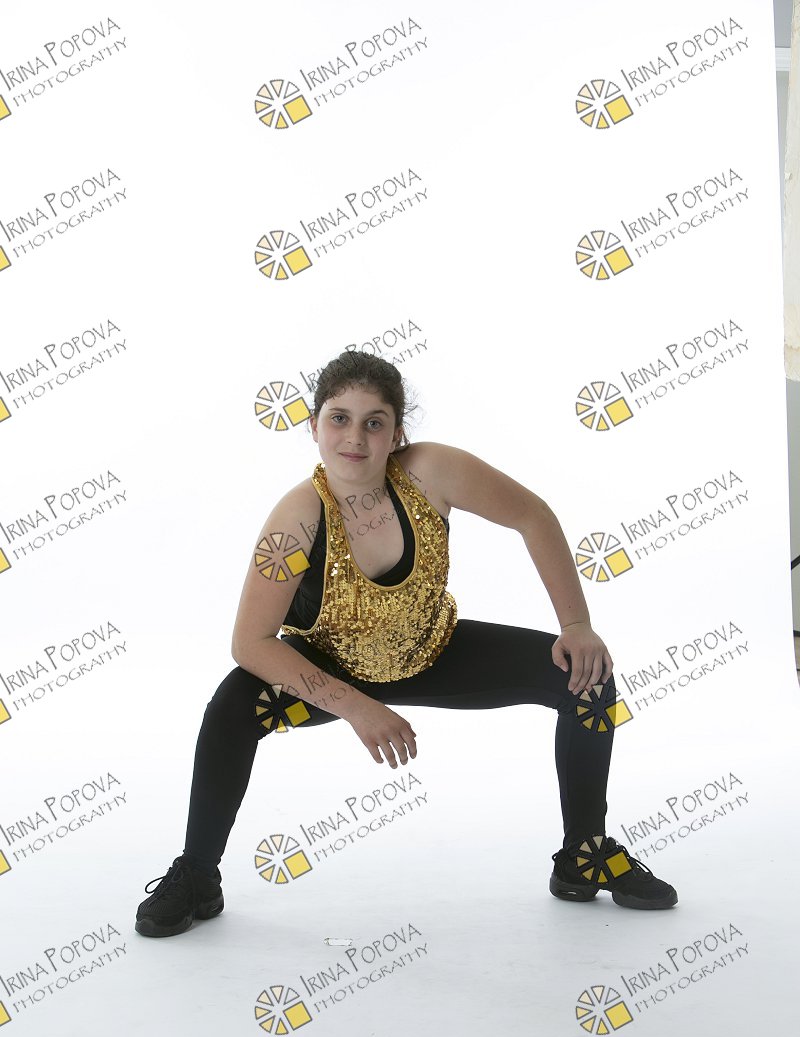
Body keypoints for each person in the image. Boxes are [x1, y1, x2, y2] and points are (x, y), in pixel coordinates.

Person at [135, 350, 677, 937]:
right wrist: (356, 707)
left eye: (374, 422)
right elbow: (251, 643)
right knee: (232, 707)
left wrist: (576, 625)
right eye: (339, 419)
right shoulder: (296, 519)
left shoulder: (431, 471)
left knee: (587, 679)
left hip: (434, 651)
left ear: (397, 433)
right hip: (331, 668)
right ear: (314, 427)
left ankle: (584, 854)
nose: (355, 438)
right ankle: (197, 873)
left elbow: (534, 516)